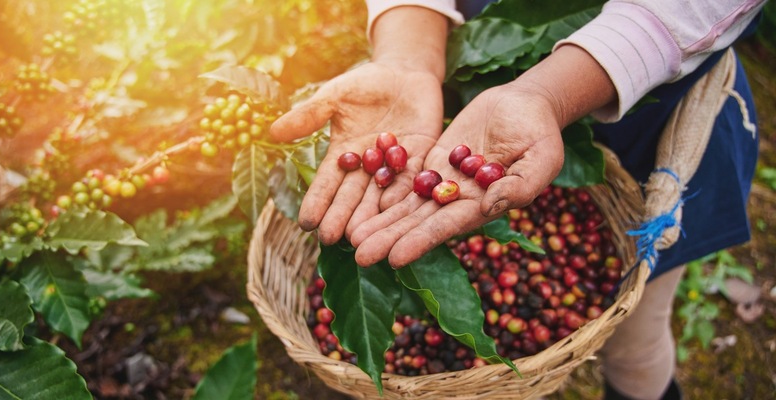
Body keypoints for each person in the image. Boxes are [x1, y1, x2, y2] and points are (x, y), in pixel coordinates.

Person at [269, 1, 766, 399]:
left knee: (638, 336)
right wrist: (408, 55)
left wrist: (549, 95)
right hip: (484, 88)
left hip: (661, 106)